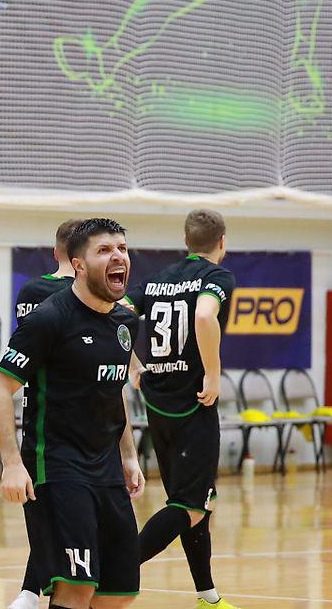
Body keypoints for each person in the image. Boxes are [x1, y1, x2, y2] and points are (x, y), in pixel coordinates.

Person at [0, 218, 145, 609]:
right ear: (79, 265)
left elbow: (115, 391)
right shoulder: (49, 318)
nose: (118, 256)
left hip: (107, 468)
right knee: (76, 587)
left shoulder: (125, 321)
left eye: (122, 248)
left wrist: (128, 456)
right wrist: (11, 463)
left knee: (118, 594)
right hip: (57, 467)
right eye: (104, 250)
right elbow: (0, 389)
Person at [127, 209, 239, 609]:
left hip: (158, 403)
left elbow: (116, 314)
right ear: (222, 242)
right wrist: (213, 374)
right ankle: (114, 570)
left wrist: (133, 365)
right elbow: (205, 315)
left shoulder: (158, 278)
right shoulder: (216, 277)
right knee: (190, 506)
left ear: (186, 240)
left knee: (192, 503)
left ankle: (207, 596)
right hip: (194, 404)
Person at [7, 218, 81, 609]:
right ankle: (34, 590)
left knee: (48, 515)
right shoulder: (85, 295)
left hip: (39, 413)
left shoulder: (32, 291)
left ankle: (29, 590)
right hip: (71, 419)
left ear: (56, 251)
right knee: (64, 520)